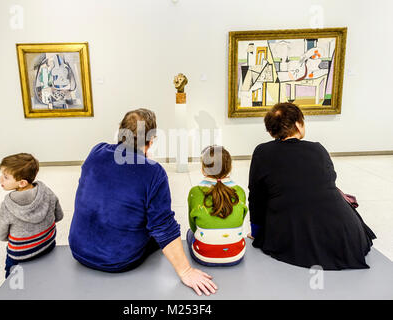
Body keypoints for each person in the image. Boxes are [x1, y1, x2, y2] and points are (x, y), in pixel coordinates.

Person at [68, 108, 218, 296]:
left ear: (120, 131)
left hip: (79, 248)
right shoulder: (154, 173)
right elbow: (163, 227)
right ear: (151, 140)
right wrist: (186, 271)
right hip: (117, 259)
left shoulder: (97, 151)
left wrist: (141, 159)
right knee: (154, 223)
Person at [248, 102, 376, 270]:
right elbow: (329, 181)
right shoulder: (318, 149)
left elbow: (256, 197)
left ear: (271, 130)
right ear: (298, 124)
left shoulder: (262, 152)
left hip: (293, 238)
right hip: (347, 236)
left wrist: (257, 232)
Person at [0, 153, 64, 278]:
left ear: (22, 183)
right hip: (48, 245)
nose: (0, 179)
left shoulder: (7, 205)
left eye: (5, 177)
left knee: (11, 274)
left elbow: (1, 235)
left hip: (20, 254)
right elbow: (59, 216)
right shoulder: (47, 192)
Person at [187, 145, 248, 266]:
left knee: (189, 232)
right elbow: (241, 219)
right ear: (229, 168)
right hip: (236, 255)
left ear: (203, 169)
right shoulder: (240, 192)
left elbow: (193, 226)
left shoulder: (195, 192)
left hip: (203, 256)